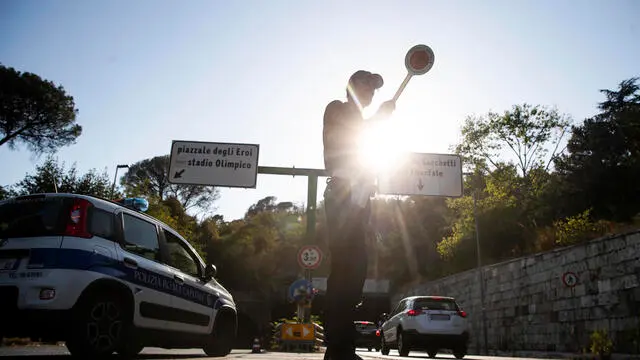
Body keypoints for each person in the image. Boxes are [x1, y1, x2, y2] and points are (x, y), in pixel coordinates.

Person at [322, 70, 395, 360]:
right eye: (367, 85)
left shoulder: (361, 121)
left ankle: (342, 346)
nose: (372, 92)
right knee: (345, 271)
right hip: (342, 195)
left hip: (358, 199)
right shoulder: (337, 109)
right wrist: (379, 118)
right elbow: (354, 132)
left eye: (374, 89)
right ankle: (338, 347)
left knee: (355, 271)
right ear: (352, 86)